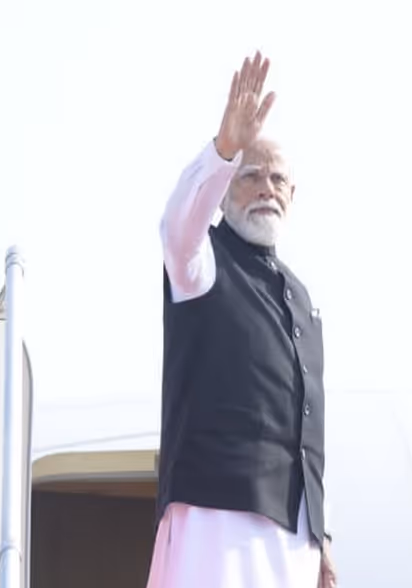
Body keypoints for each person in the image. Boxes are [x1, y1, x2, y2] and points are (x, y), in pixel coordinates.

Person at [146, 51, 336, 588]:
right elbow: (176, 226)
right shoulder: (202, 263)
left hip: (292, 540)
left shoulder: (302, 300)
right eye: (250, 176)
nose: (266, 189)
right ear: (226, 189)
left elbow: (308, 431)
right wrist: (224, 148)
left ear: (293, 196)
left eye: (278, 180)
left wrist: (321, 536)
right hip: (217, 527)